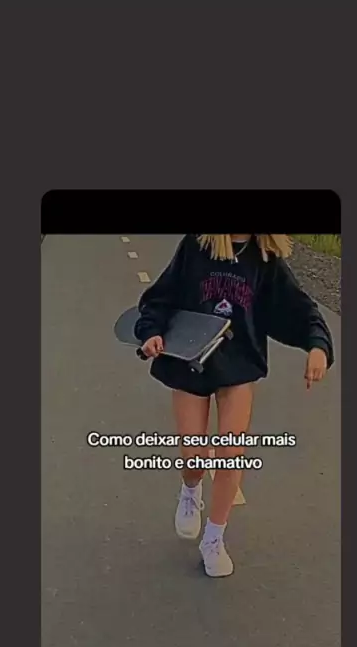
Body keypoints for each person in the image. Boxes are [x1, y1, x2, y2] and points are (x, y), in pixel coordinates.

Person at [134, 234, 334, 578]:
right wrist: (150, 331)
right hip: (189, 358)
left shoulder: (264, 258)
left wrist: (318, 345)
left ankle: (214, 538)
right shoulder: (197, 245)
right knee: (193, 455)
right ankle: (191, 489)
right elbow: (162, 296)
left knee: (231, 451)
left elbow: (298, 306)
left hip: (238, 363)